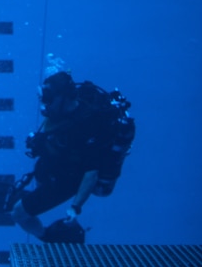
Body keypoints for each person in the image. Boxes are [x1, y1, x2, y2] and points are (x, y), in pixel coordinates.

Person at [10, 69, 136, 243]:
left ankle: (49, 237)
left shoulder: (87, 126)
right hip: (57, 165)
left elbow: (91, 173)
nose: (45, 104)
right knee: (37, 186)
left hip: (69, 179)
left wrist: (75, 208)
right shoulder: (61, 113)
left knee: (18, 213)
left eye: (48, 98)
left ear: (63, 98)